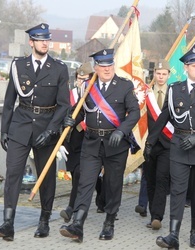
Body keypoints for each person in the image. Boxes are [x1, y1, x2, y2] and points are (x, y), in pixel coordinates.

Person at [0, 23, 70, 241]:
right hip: (21, 124)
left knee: (47, 177)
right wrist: (4, 130)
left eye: (47, 39)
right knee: (14, 173)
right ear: (31, 42)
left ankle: (44, 221)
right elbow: (9, 101)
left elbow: (64, 105)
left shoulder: (59, 68)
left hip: (47, 127)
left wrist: (53, 129)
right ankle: (8, 223)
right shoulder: (18, 66)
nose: (45, 43)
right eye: (41, 39)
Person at [144, 42, 195, 249]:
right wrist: (150, 142)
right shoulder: (174, 89)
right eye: (194, 64)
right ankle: (173, 234)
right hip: (179, 145)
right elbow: (164, 117)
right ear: (186, 68)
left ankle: (193, 233)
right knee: (178, 191)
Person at [59, 49, 140, 242]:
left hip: (115, 144)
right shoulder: (88, 86)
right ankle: (78, 224)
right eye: (102, 66)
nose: (107, 69)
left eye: (110, 65)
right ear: (95, 67)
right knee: (85, 183)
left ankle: (109, 222)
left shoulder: (124, 86)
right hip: (92, 143)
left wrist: (122, 131)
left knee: (113, 185)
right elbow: (80, 110)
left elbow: (135, 112)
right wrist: (70, 119)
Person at [58, 62, 106, 221]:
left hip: (88, 143)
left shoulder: (96, 96)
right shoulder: (70, 95)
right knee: (77, 176)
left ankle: (72, 208)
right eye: (79, 78)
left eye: (85, 79)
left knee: (80, 176)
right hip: (71, 143)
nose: (81, 82)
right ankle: (97, 197)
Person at [143, 59, 172, 230]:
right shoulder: (146, 94)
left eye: (164, 74)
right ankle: (152, 211)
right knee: (150, 179)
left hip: (167, 144)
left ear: (168, 75)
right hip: (149, 143)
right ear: (154, 74)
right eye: (158, 73)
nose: (160, 77)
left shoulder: (174, 92)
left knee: (162, 178)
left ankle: (157, 217)